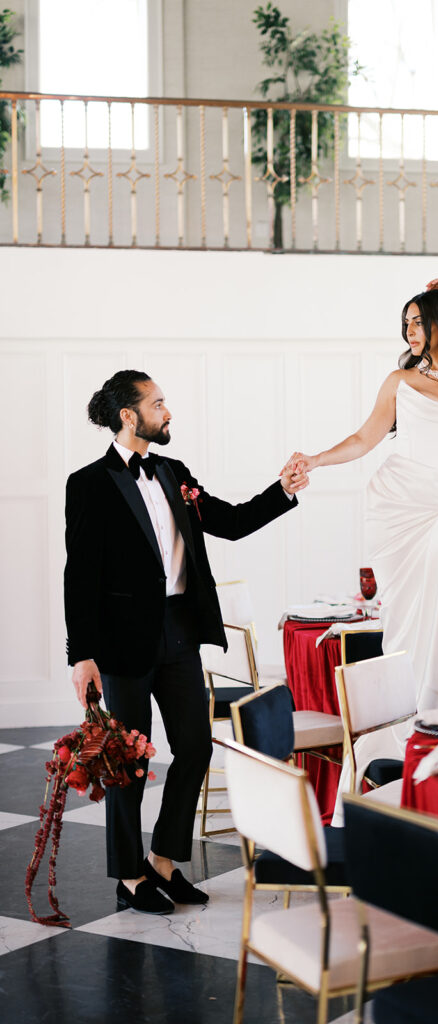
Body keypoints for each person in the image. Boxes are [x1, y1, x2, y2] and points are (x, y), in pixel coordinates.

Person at [64, 370, 308, 915]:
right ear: (129, 415)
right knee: (126, 761)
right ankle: (129, 879)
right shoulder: (88, 484)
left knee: (195, 746)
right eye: (158, 403)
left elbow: (231, 521)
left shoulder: (174, 472)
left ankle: (164, 864)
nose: (168, 411)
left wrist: (283, 490)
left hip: (180, 633)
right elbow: (78, 576)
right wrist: (81, 654)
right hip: (122, 646)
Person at [284, 276, 438, 717]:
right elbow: (364, 438)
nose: (410, 332)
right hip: (400, 503)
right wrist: (316, 459)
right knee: (410, 619)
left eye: (418, 322)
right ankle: (402, 712)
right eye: (406, 325)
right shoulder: (400, 380)